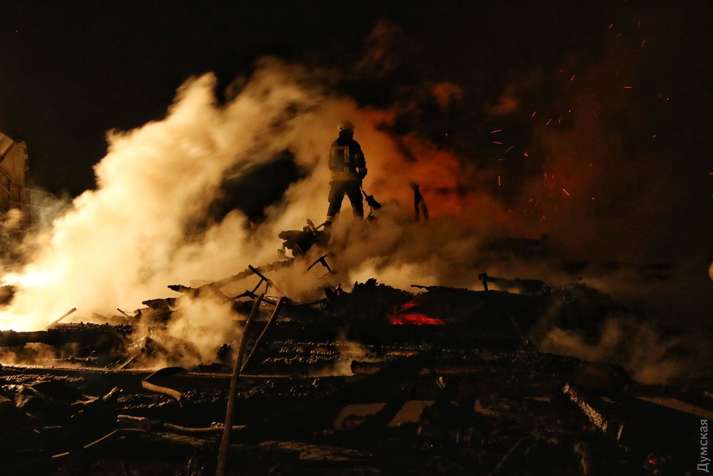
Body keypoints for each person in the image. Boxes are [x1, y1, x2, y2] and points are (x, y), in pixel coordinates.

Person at [326, 121, 367, 223]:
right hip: (351, 180)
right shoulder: (353, 144)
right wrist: (361, 174)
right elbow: (360, 161)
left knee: (334, 204)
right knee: (356, 203)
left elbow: (330, 164)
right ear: (349, 131)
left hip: (336, 181)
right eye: (352, 131)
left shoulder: (334, 144)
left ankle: (329, 226)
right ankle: (359, 225)